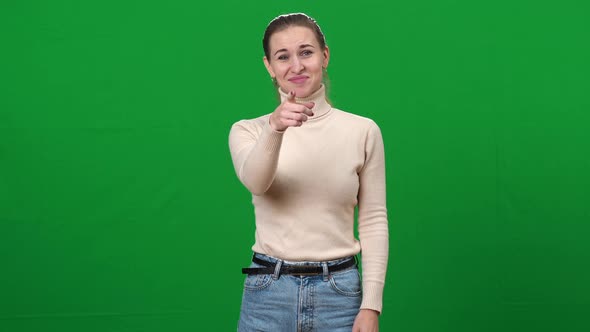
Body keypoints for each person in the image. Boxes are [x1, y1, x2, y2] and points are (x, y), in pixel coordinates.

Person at [229, 13, 389, 332]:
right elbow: (257, 183)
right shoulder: (248, 131)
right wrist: (275, 129)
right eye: (283, 57)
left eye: (306, 52)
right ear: (269, 67)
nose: (297, 66)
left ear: (324, 56)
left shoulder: (363, 131)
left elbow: (373, 220)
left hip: (340, 293)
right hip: (268, 293)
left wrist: (372, 305)